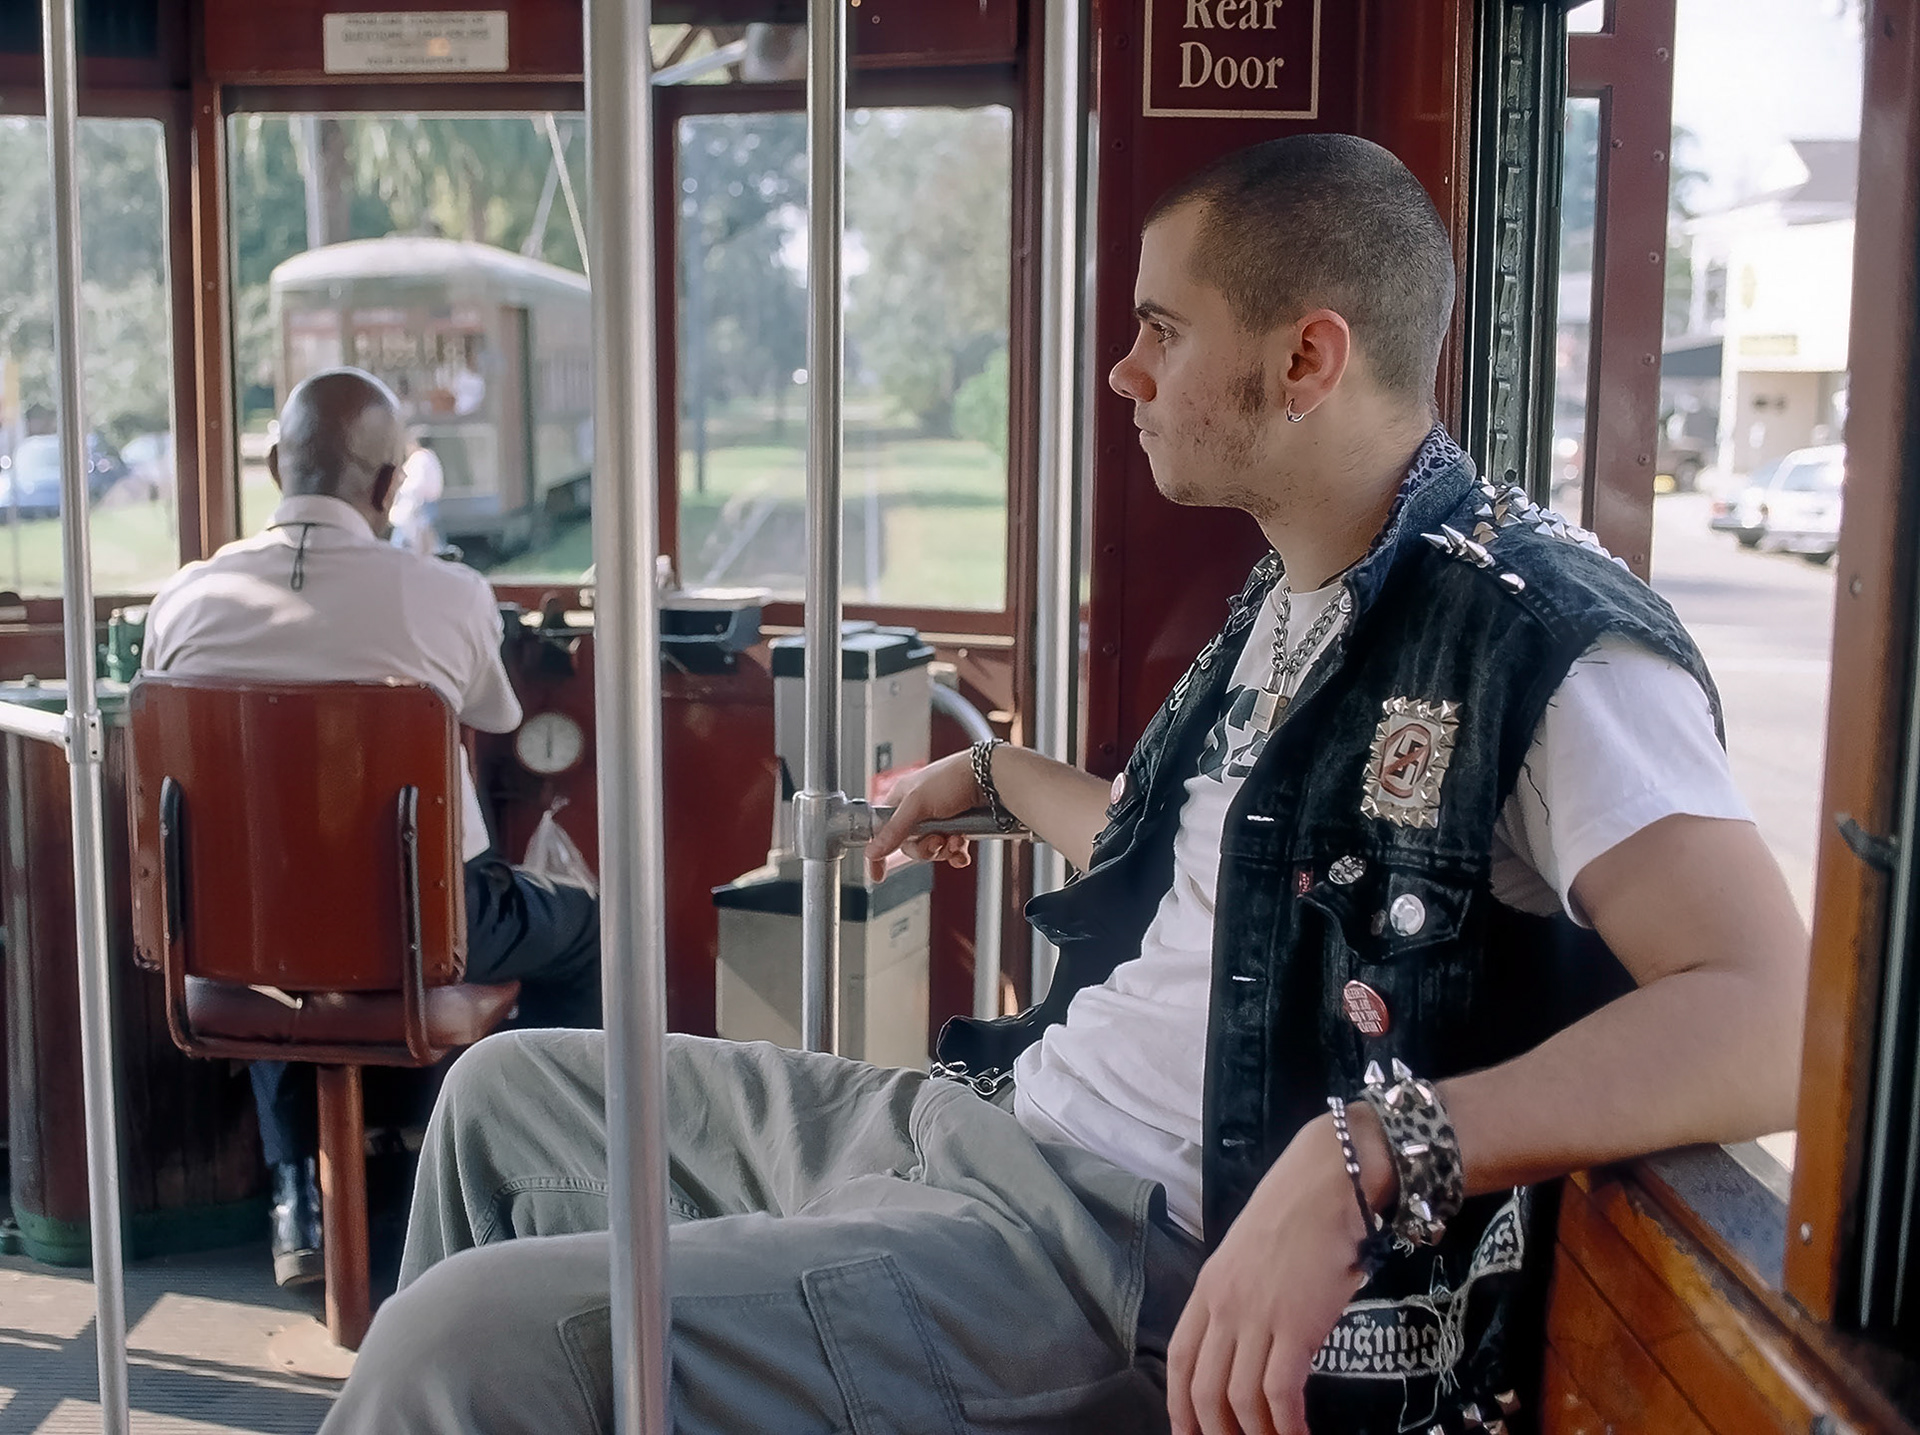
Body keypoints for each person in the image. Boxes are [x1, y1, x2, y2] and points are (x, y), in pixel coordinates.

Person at [319, 136, 1806, 1435]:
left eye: (1163, 328)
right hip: (992, 1115)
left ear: (1306, 360)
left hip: (1100, 1254)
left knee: (469, 1341)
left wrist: (1371, 1152)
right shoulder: (1304, 595)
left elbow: (1773, 1016)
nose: (1126, 370)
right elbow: (1240, 901)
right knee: (506, 1096)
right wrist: (993, 774)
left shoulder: (1540, 644)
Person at [143, 368, 602, 1291]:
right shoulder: (447, 594)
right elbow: (500, 715)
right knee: (588, 929)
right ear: (392, 486)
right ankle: (507, 1192)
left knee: (277, 914)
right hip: (425, 926)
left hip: (230, 938)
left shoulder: (182, 602)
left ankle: (292, 1196)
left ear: (276, 465)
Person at [390, 429, 444, 555]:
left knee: (409, 532)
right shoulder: (430, 457)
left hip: (417, 502)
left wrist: (402, 491)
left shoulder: (419, 458)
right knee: (426, 533)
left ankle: (396, 553)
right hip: (428, 501)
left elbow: (414, 482)